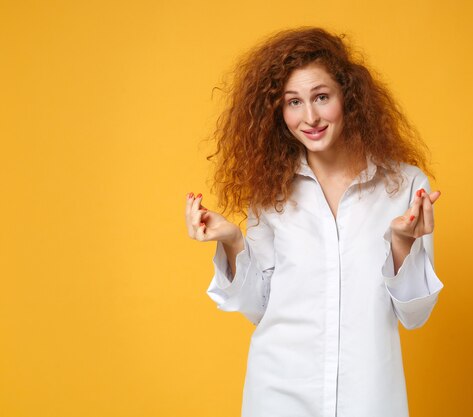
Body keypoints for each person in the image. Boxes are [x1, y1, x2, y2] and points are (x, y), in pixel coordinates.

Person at [184, 27, 444, 417]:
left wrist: (402, 244)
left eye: (321, 97)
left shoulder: (404, 186)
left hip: (368, 393)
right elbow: (260, 307)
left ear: (348, 98)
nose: (310, 117)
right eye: (293, 102)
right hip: (279, 391)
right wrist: (234, 243)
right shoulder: (270, 190)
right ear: (278, 111)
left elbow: (415, 316)